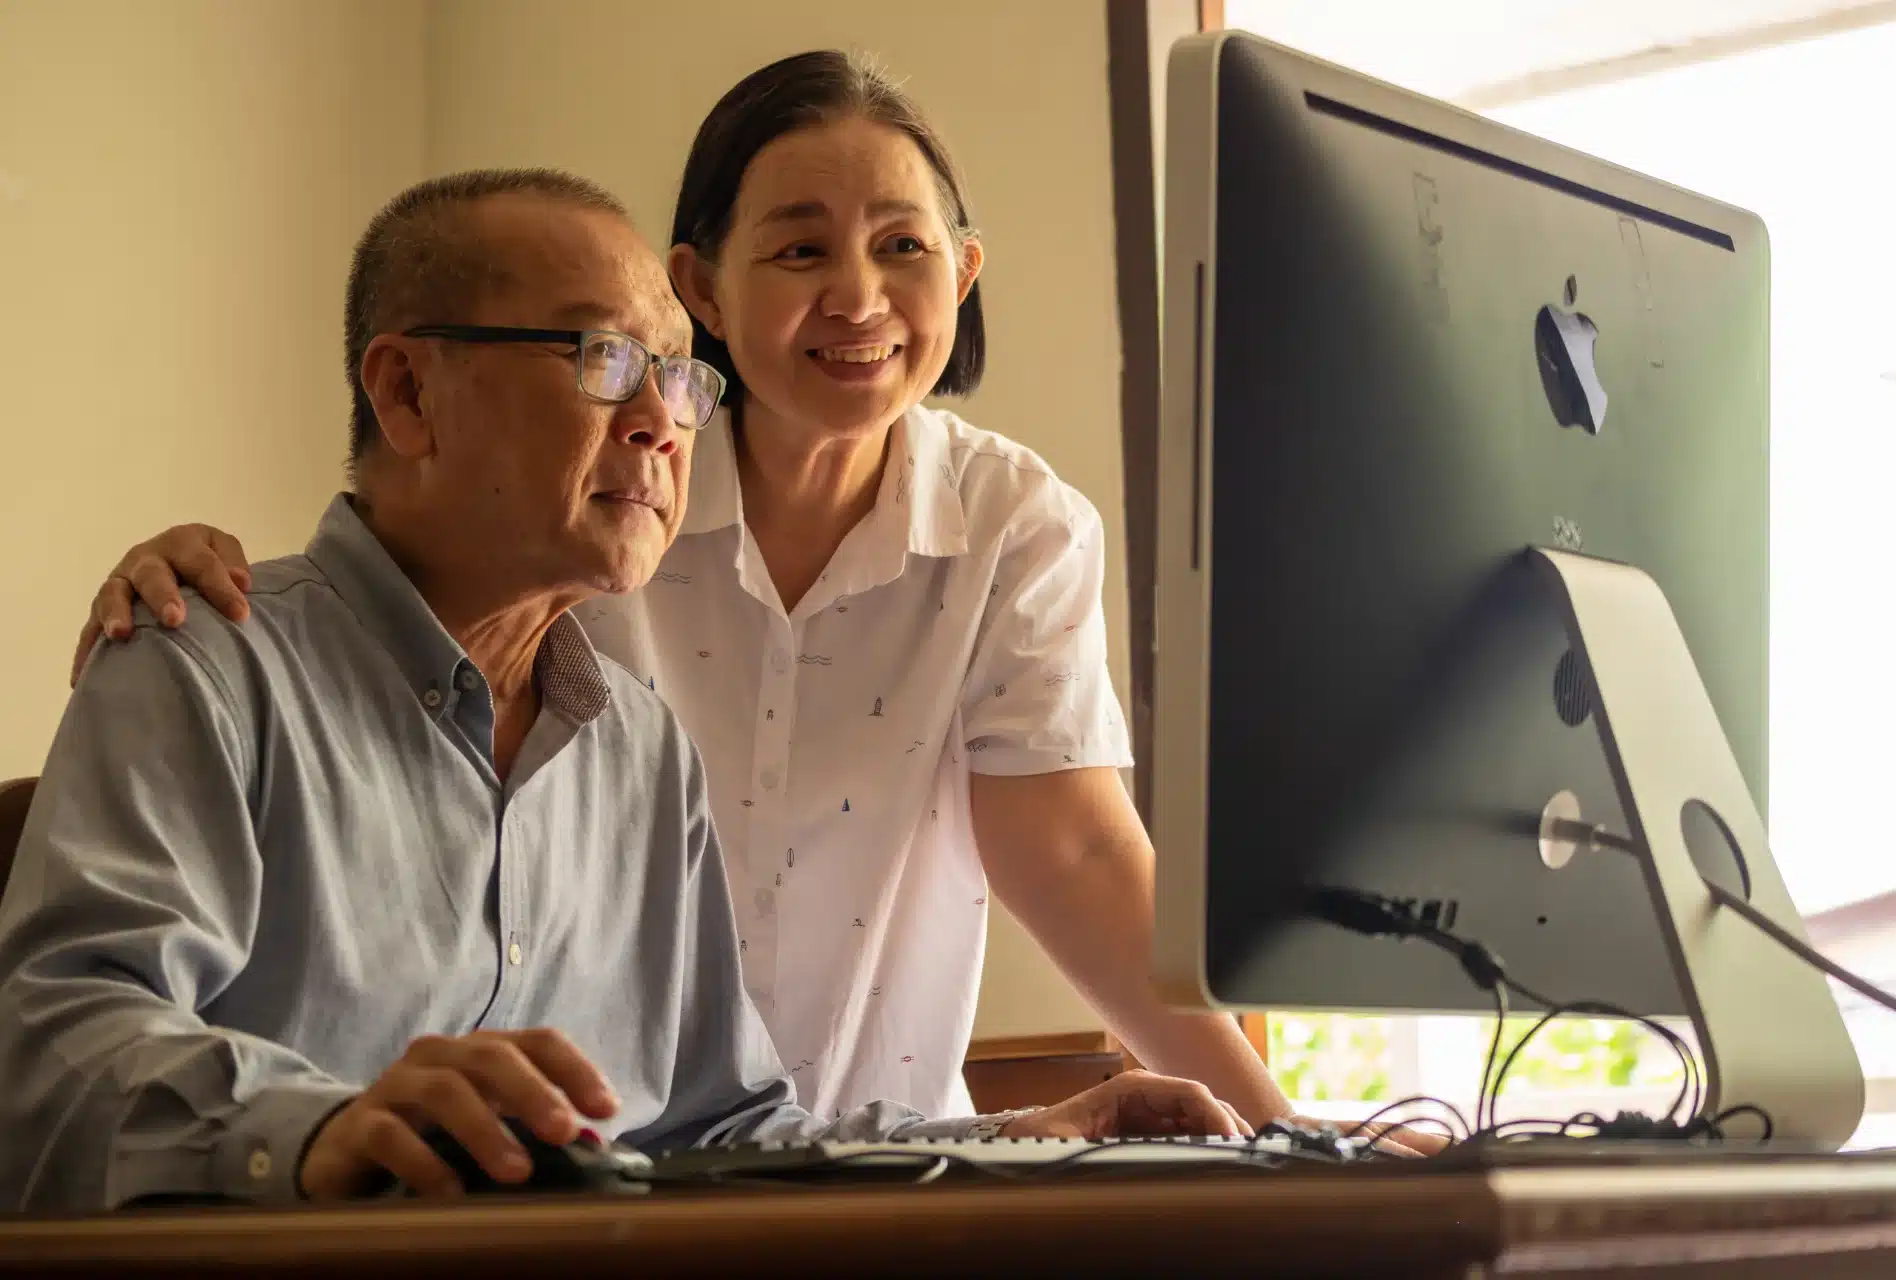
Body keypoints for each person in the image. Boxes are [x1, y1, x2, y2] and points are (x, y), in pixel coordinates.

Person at [72, 51, 1431, 1148]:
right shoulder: (283, 642)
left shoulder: (643, 722)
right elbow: (67, 1043)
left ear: (962, 274)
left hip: (800, 1188)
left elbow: (734, 1107)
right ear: (701, 290)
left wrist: (1261, 1141)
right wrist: (308, 1134)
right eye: (609, 360)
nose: (858, 297)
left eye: (904, 246)